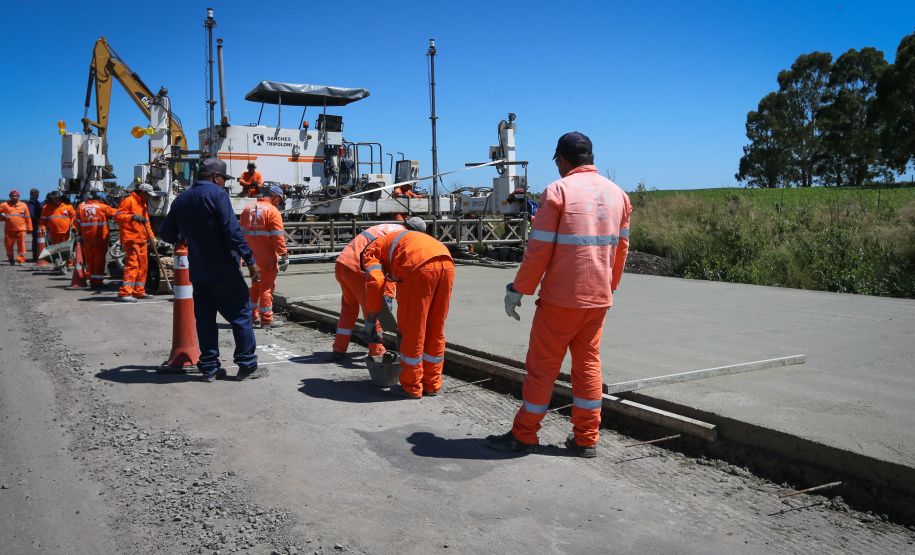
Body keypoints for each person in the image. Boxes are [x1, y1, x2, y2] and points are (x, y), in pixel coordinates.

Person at [487, 132, 632, 458]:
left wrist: (518, 290)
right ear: (590, 157)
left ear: (561, 161)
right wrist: (611, 286)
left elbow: (538, 251)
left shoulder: (558, 191)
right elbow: (621, 249)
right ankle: (586, 439)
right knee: (588, 366)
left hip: (560, 301)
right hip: (597, 300)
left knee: (542, 369)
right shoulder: (618, 195)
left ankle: (524, 435)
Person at [159, 157, 265, 382]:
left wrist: (184, 237)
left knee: (205, 320)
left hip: (198, 271)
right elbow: (232, 230)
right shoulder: (217, 194)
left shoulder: (181, 199)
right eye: (224, 179)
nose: (225, 184)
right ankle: (246, 365)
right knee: (241, 315)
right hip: (224, 269)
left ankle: (209, 369)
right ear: (216, 177)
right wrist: (250, 259)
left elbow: (166, 233)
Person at [361, 222, 453, 398]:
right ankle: (431, 384)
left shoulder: (370, 252)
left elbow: (376, 282)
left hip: (417, 267)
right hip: (446, 262)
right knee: (435, 328)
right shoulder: (394, 241)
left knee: (413, 330)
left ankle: (411, 387)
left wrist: (371, 319)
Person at [331, 218, 425, 362]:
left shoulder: (389, 227)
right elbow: (387, 267)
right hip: (359, 269)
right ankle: (377, 353)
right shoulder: (403, 237)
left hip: (343, 263)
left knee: (349, 309)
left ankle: (339, 349)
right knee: (375, 309)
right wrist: (387, 296)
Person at [240, 185, 288, 328]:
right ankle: (267, 319)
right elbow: (278, 237)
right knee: (266, 288)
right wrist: (284, 255)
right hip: (267, 258)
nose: (278, 204)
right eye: (279, 200)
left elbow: (241, 235)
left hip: (251, 258)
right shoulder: (273, 211)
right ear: (274, 197)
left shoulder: (247, 209)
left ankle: (252, 316)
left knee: (255, 286)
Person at [114, 184, 155, 302]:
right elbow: (118, 216)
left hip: (141, 239)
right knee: (132, 265)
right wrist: (132, 217)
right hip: (131, 239)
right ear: (143, 192)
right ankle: (125, 293)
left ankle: (139, 291)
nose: (149, 198)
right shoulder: (128, 201)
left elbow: (146, 223)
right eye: (148, 195)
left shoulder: (143, 203)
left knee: (143, 266)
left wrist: (152, 238)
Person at [75, 191, 117, 288]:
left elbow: (77, 222)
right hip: (100, 239)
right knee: (99, 261)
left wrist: (79, 235)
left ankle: (90, 279)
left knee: (89, 260)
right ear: (101, 199)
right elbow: (117, 213)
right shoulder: (103, 207)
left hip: (86, 239)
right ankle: (97, 282)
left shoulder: (81, 207)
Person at [0, 190, 32, 265]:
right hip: (9, 230)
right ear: (10, 196)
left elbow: (28, 217)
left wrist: (30, 228)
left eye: (16, 196)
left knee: (21, 246)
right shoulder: (5, 205)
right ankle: (10, 258)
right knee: (8, 245)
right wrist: (2, 217)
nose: (14, 197)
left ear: (18, 197)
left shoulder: (23, 205)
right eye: (12, 196)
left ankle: (21, 260)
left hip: (21, 229)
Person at [26, 189, 42, 262]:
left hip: (37, 223)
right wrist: (36, 219)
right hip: (35, 223)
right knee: (36, 240)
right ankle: (35, 256)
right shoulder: (31, 203)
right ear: (32, 194)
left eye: (38, 194)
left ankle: (37, 255)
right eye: (36, 194)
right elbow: (31, 212)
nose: (37, 195)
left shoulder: (36, 202)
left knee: (37, 240)